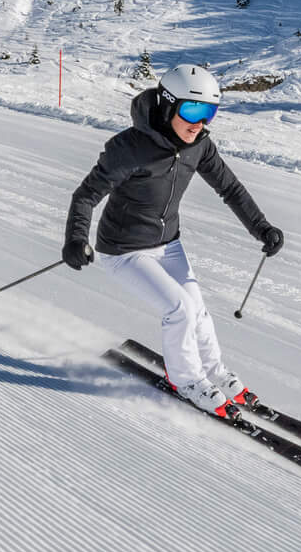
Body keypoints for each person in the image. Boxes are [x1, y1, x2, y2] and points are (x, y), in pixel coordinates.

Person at [63, 65, 283, 415]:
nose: (199, 123)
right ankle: (187, 380)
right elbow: (86, 195)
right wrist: (76, 238)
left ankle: (214, 371)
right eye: (192, 110)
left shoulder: (200, 146)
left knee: (198, 312)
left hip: (168, 244)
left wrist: (262, 228)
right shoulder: (129, 148)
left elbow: (230, 188)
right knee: (179, 309)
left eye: (209, 112)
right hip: (124, 250)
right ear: (167, 106)